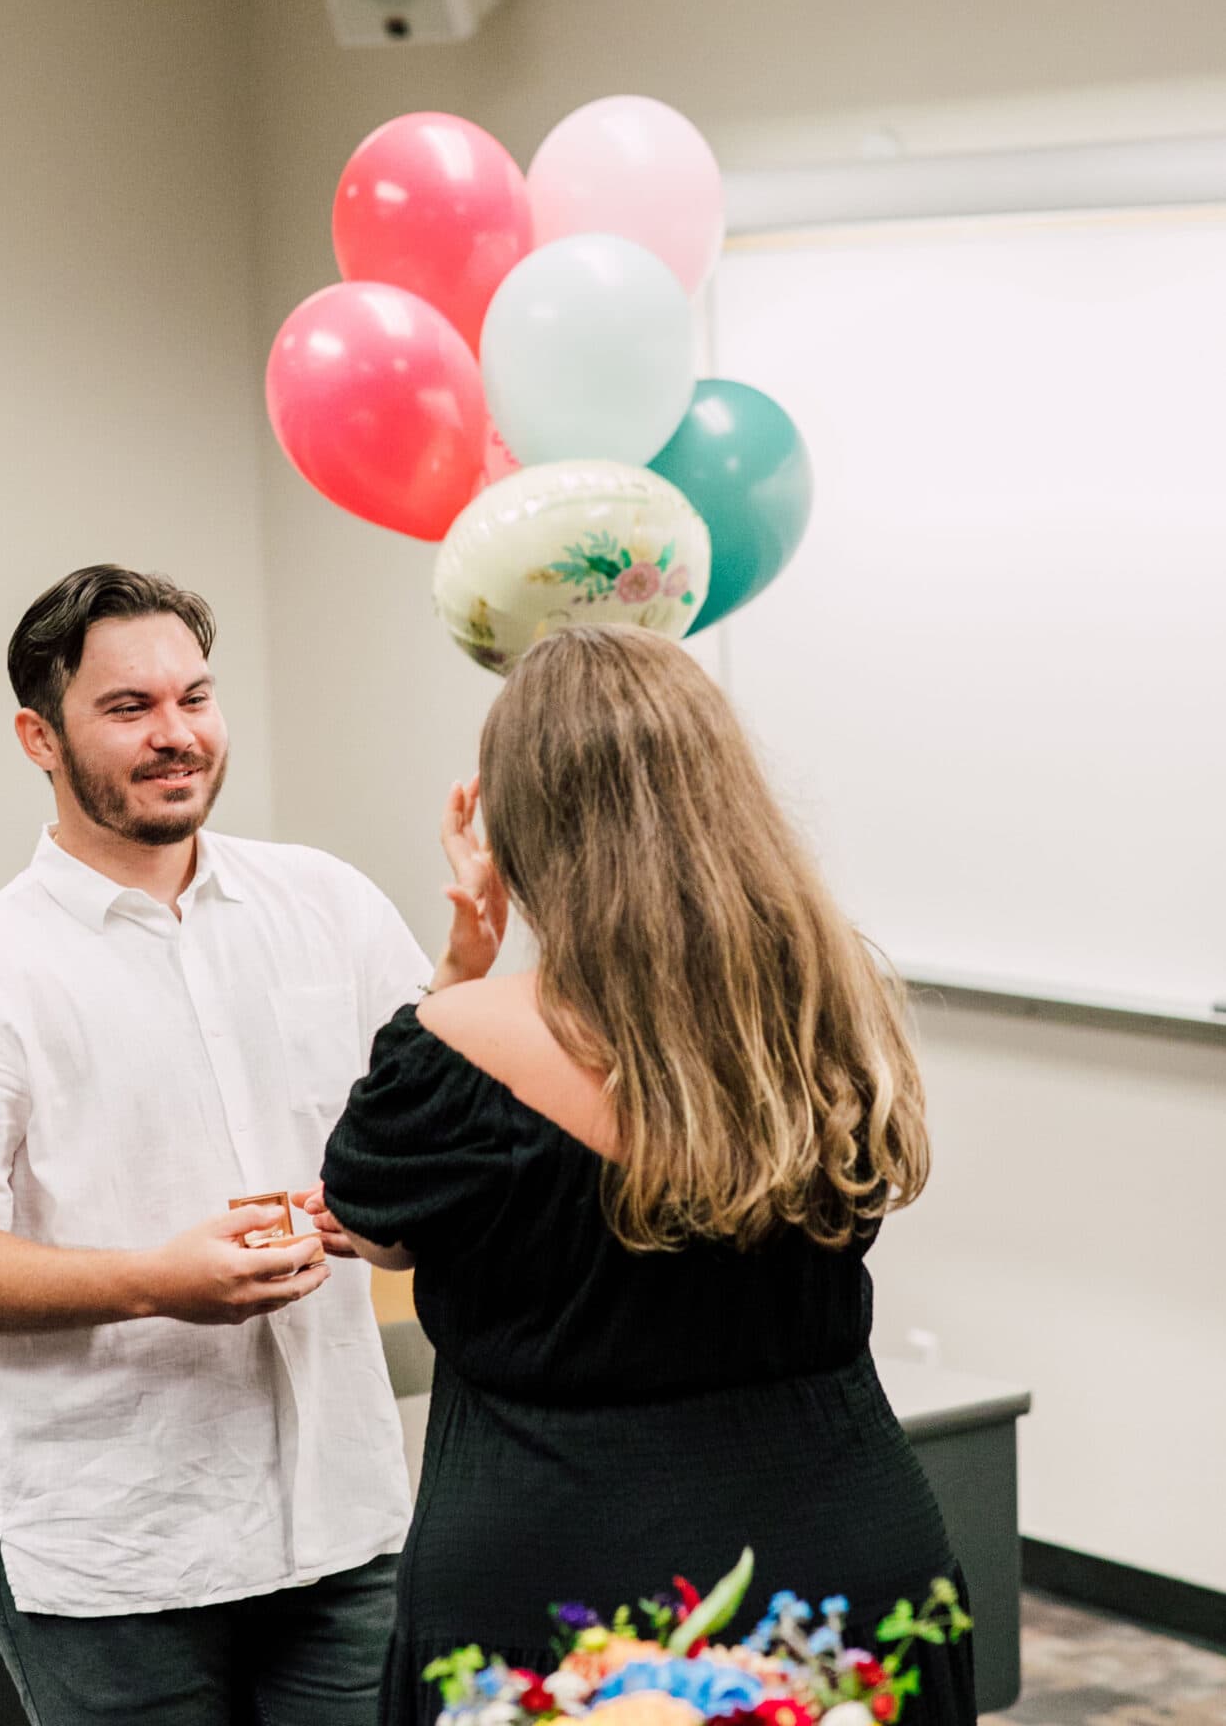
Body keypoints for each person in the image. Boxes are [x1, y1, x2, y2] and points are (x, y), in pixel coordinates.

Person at [0, 565, 495, 1726]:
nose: (176, 734)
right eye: (128, 707)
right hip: (110, 1560)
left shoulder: (329, 904)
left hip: (344, 1526)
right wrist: (152, 1283)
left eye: (195, 698)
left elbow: (420, 1152)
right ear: (36, 736)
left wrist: (456, 997)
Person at [321, 622, 976, 1726]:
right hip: (843, 1569)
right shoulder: (829, 1002)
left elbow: (374, 1224)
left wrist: (459, 971)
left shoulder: (449, 1043)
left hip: (555, 1590)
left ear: (516, 824)